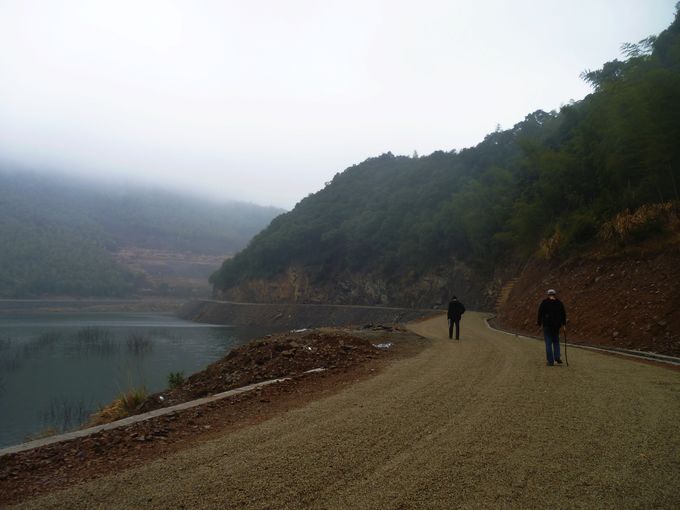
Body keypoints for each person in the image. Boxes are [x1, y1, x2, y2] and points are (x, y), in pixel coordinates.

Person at [537, 289, 567, 366]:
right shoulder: (559, 303)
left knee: (548, 343)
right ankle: (557, 357)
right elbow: (563, 314)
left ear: (548, 295)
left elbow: (540, 313)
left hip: (547, 325)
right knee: (556, 342)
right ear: (554, 294)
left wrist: (539, 323)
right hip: (556, 326)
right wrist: (564, 324)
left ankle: (550, 361)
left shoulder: (544, 302)